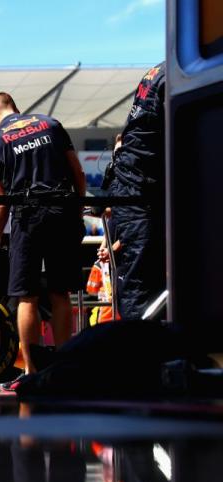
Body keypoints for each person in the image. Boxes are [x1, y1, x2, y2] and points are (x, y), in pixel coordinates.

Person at [0, 92, 86, 381]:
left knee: (27, 296)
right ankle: (64, 369)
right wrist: (76, 213)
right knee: (60, 292)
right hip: (63, 209)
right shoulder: (50, 123)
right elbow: (78, 172)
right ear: (16, 107)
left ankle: (31, 371)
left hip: (28, 216)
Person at [105, 62, 166, 320]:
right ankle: (142, 357)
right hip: (139, 190)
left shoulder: (163, 71)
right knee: (139, 287)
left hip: (141, 189)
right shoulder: (177, 74)